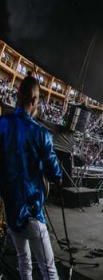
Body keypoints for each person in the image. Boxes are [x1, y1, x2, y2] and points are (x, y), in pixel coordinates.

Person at [0, 73, 63, 280]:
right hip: (33, 213)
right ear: (35, 100)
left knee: (23, 260)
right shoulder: (41, 133)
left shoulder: (2, 123)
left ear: (17, 95)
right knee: (49, 269)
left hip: (11, 210)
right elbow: (55, 173)